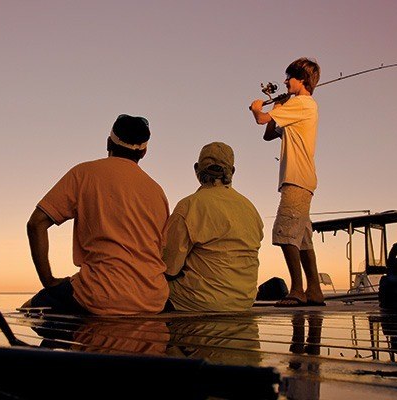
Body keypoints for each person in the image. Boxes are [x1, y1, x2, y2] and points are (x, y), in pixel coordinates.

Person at [24, 114, 169, 315]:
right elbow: (159, 250)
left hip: (99, 295)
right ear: (144, 152)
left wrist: (48, 281)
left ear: (108, 142)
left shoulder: (84, 174)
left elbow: (36, 223)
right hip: (153, 298)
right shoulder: (157, 192)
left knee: (29, 311)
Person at [248, 57, 325, 307]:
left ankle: (297, 290)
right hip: (302, 179)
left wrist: (257, 108)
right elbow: (268, 134)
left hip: (296, 179)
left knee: (283, 233)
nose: (284, 81)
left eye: (289, 77)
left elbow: (261, 119)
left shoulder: (303, 103)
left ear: (301, 79)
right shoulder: (296, 107)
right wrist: (279, 107)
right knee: (302, 238)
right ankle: (314, 291)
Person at [161, 142, 263, 312]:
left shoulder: (189, 206)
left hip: (198, 301)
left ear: (196, 169)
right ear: (233, 171)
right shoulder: (250, 208)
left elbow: (169, 268)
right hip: (243, 301)